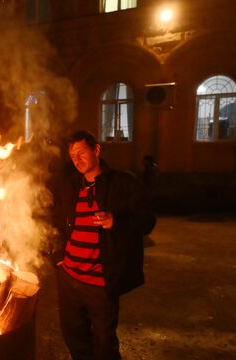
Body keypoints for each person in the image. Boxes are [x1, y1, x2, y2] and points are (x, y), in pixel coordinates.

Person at [50, 130, 156, 360]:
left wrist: (115, 221)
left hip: (99, 282)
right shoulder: (70, 187)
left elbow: (147, 220)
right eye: (72, 155)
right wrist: (58, 258)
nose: (76, 160)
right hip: (68, 278)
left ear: (96, 150)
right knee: (75, 338)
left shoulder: (122, 183)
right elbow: (57, 224)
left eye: (81, 153)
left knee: (105, 343)